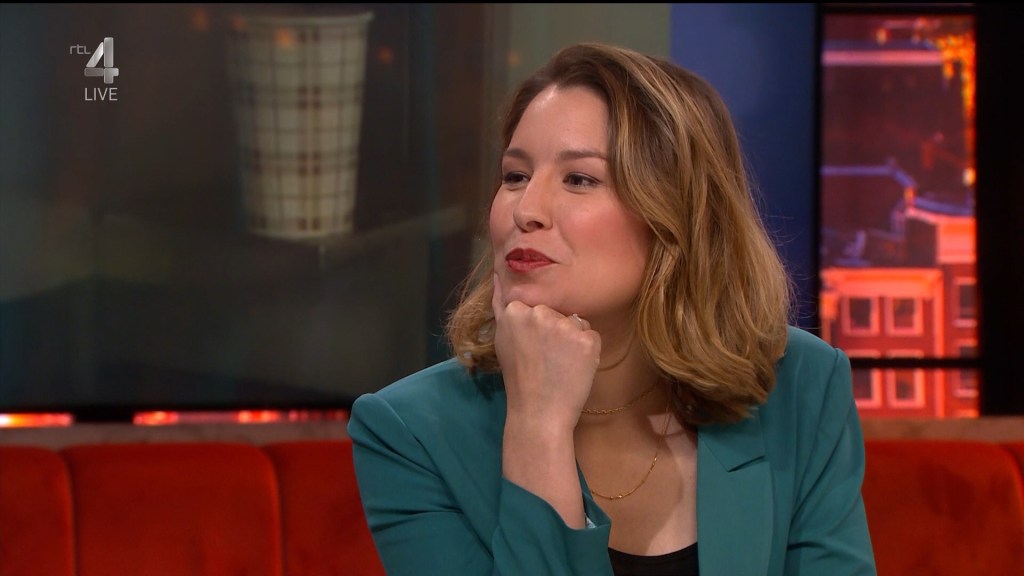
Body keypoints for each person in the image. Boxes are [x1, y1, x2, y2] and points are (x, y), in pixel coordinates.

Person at [347, 42, 876, 575]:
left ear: (676, 214)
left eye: (579, 179)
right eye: (514, 176)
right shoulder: (409, 433)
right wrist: (538, 427)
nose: (526, 210)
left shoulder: (801, 387)